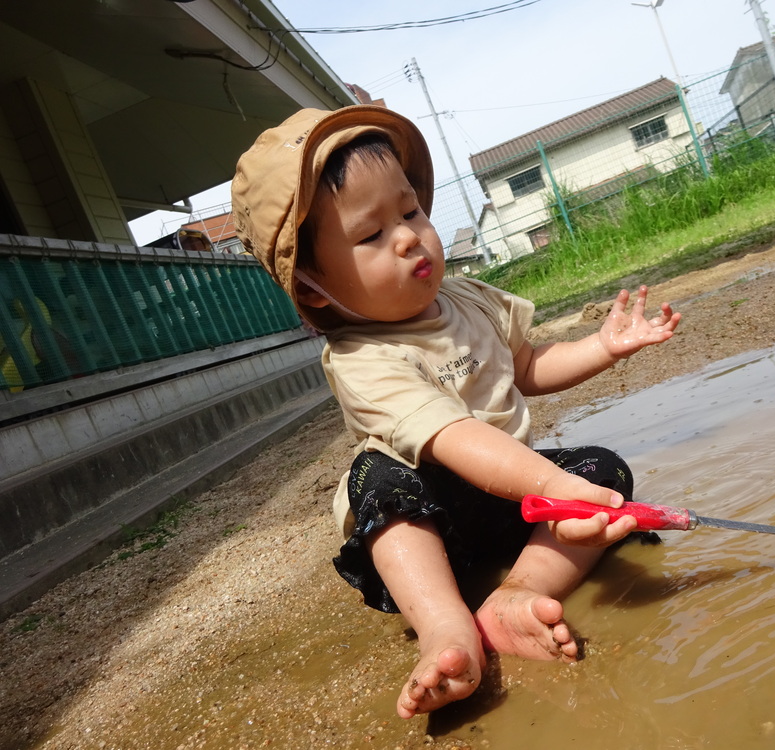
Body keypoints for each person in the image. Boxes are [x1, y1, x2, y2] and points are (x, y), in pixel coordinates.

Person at [230, 106, 682, 719]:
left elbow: (524, 366)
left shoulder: (467, 299)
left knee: (603, 468)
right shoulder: (363, 356)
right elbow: (455, 435)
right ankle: (446, 628)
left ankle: (517, 595)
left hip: (513, 497)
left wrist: (601, 347)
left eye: (410, 210)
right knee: (377, 482)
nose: (409, 236)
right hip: (430, 515)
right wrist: (557, 486)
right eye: (370, 235)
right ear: (315, 288)